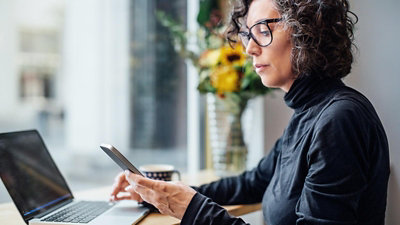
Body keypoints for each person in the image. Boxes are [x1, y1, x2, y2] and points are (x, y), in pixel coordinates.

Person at [110, 0, 390, 224]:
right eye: (248, 34)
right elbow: (252, 183)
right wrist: (158, 195)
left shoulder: (339, 119)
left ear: (307, 32)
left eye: (263, 31)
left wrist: (192, 209)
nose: (249, 48)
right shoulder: (310, 114)